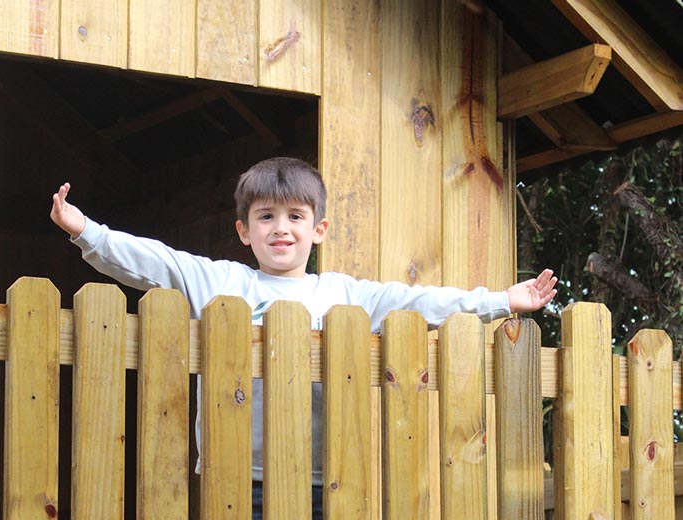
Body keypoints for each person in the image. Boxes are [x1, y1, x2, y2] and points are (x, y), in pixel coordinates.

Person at [50, 156, 557, 518]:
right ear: (244, 230)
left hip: (324, 475)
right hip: (234, 471)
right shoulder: (222, 281)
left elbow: (420, 302)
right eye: (266, 217)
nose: (281, 228)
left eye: (295, 216)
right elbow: (156, 261)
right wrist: (86, 230)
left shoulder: (344, 294)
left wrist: (502, 300)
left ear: (319, 229)